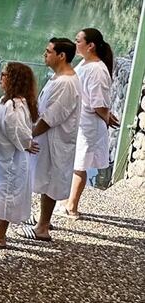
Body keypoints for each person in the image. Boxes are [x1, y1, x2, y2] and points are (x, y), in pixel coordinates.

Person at [21, 38, 82, 242]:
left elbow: (51, 117)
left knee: (50, 181)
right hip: (49, 140)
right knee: (45, 179)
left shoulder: (66, 83)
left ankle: (43, 227)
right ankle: (41, 220)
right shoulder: (58, 78)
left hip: (55, 141)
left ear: (61, 56)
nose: (44, 55)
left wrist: (29, 136)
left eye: (48, 51)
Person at [62, 28, 118, 217]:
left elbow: (98, 103)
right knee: (76, 161)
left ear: (90, 45)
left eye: (78, 40)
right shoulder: (85, 64)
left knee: (80, 164)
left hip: (89, 124)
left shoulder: (97, 69)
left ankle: (72, 206)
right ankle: (68, 200)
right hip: (80, 121)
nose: (75, 43)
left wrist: (106, 117)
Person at [0, 62, 39, 248]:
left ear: (14, 79)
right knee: (0, 192)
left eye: (5, 74)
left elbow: (20, 132)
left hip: (9, 159)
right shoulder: (11, 102)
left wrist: (27, 143)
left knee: (5, 194)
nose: (1, 77)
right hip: (3, 156)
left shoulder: (14, 106)